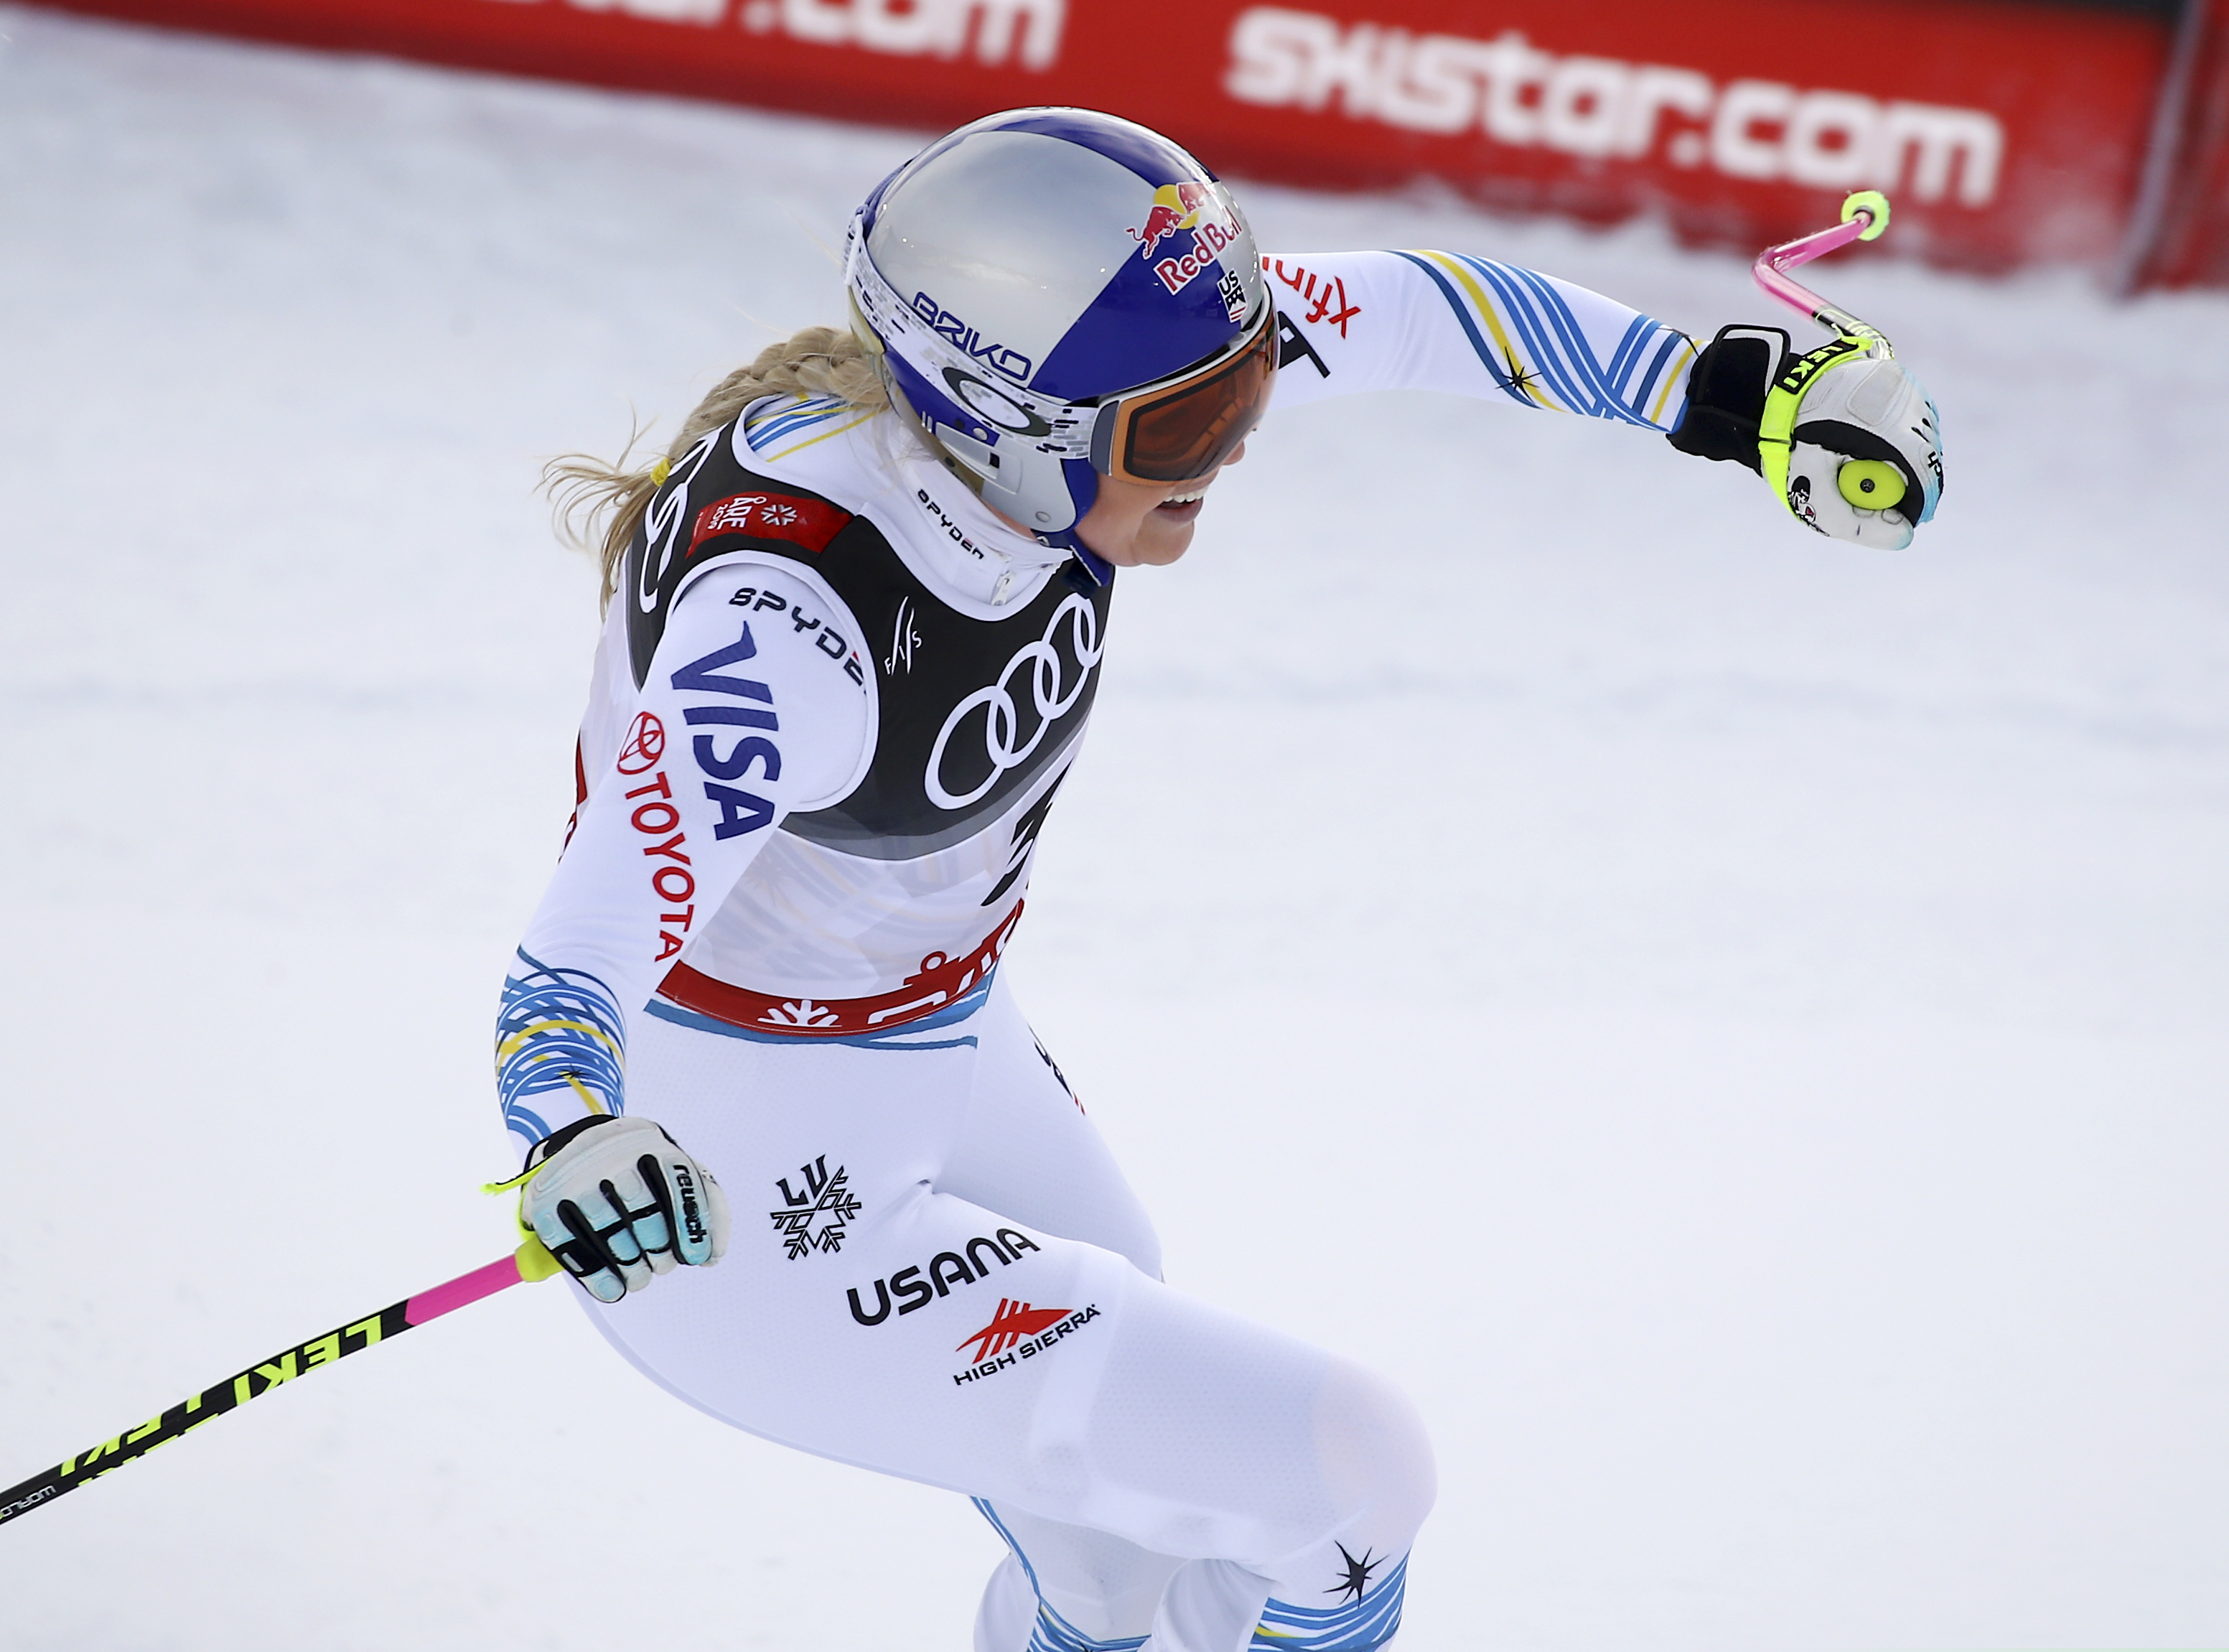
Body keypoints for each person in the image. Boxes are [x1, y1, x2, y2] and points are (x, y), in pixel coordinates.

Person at [499, 106, 1943, 1652]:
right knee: (1346, 1481)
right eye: (1188, 432)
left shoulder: (1050, 406)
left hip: (926, 1042)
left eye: (1244, 390)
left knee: (1125, 1572)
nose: (1234, 449)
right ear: (1002, 419)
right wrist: (576, 1133)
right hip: (735, 1183)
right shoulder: (791, 635)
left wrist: (1716, 389)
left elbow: (1393, 308)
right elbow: (577, 948)